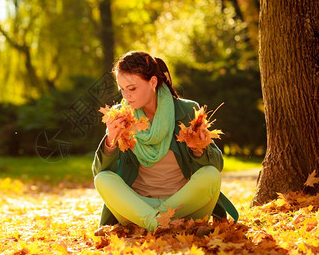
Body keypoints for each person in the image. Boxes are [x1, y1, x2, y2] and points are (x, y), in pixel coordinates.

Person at [92, 51, 238, 233]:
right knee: (103, 179)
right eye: (122, 89)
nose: (126, 96)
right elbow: (100, 171)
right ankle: (167, 226)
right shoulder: (120, 116)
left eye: (132, 88)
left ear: (153, 82)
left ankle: (152, 225)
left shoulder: (185, 110)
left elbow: (216, 164)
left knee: (211, 175)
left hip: (183, 205)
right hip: (139, 205)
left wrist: (198, 150)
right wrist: (110, 141)